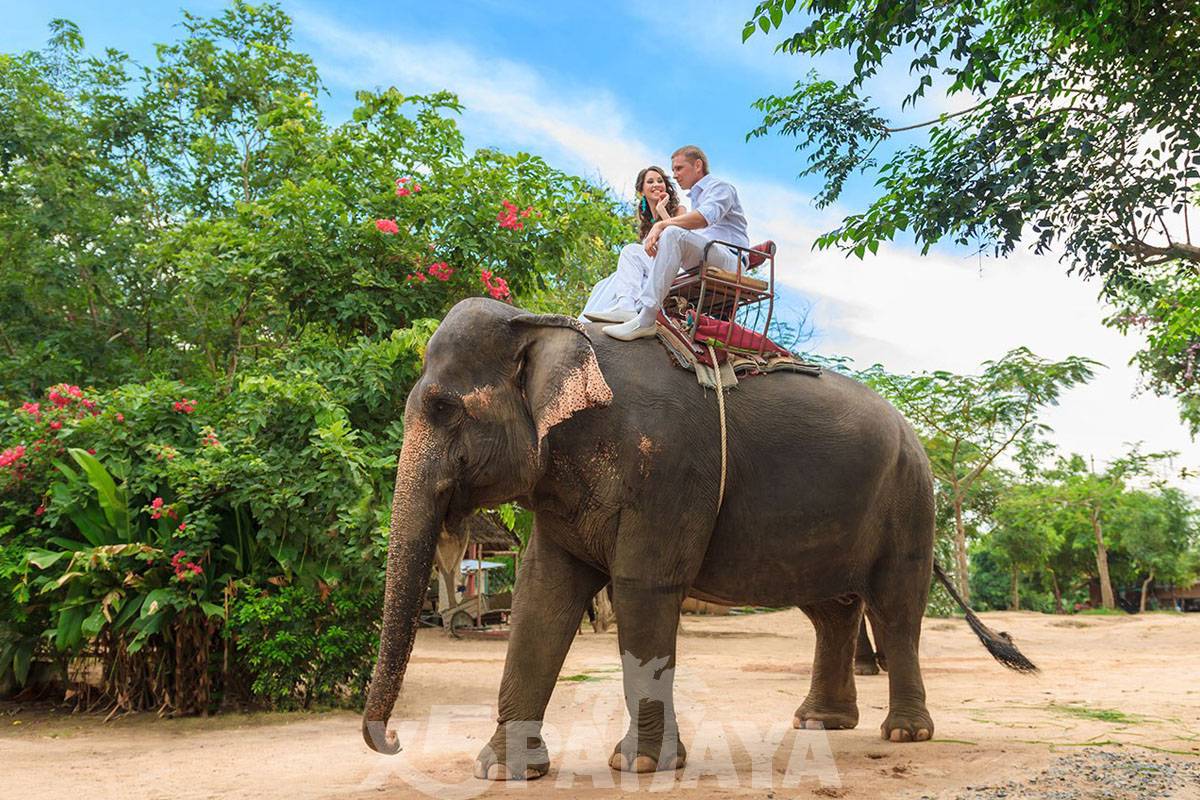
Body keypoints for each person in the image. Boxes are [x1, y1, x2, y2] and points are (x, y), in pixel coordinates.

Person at [590, 146, 749, 341]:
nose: (674, 175)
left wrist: (661, 225)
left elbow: (704, 218)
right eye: (673, 170)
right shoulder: (696, 198)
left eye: (679, 168)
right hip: (704, 257)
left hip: (730, 260)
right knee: (632, 251)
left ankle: (646, 319)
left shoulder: (720, 188)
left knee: (673, 232)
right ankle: (626, 308)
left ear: (697, 165)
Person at [581, 165, 686, 323]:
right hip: (651, 268)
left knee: (630, 251)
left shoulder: (679, 210)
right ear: (641, 191)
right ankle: (586, 322)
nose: (656, 184)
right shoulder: (645, 224)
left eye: (660, 181)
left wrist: (662, 209)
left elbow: (679, 237)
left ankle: (626, 308)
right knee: (604, 284)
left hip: (672, 265)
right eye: (650, 181)